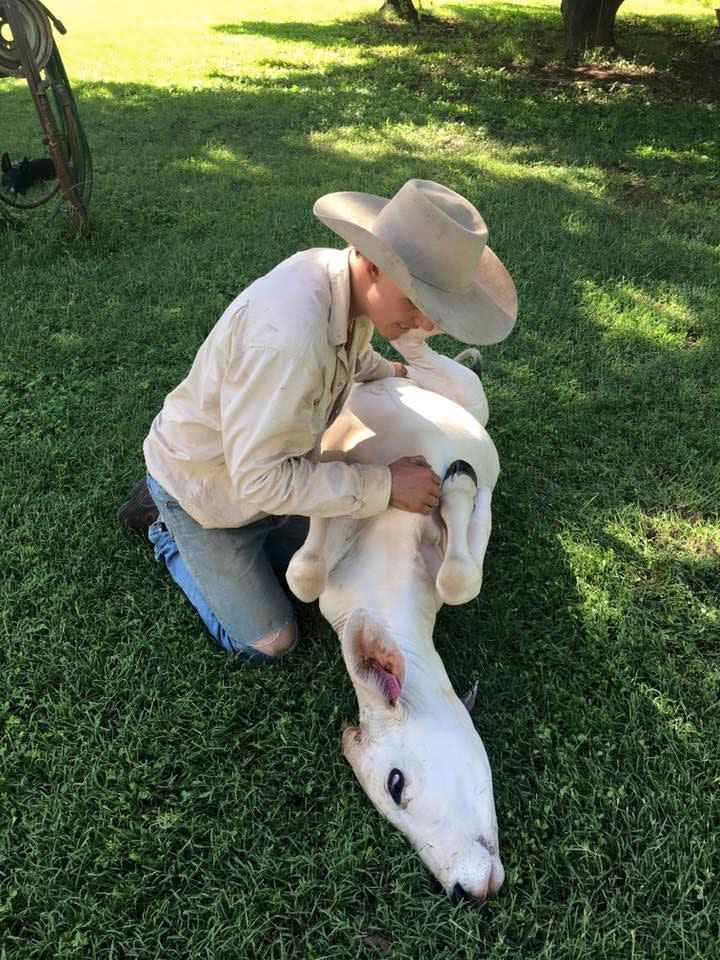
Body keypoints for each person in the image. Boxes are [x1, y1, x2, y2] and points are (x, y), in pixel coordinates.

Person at [118, 179, 517, 665]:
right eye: (417, 302)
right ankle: (165, 529)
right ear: (374, 265)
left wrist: (393, 371)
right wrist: (385, 485)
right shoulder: (288, 342)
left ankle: (252, 544)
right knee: (272, 643)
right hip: (206, 493)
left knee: (346, 563)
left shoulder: (339, 279)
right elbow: (259, 479)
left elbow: (351, 351)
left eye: (437, 312)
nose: (426, 325)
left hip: (265, 478)